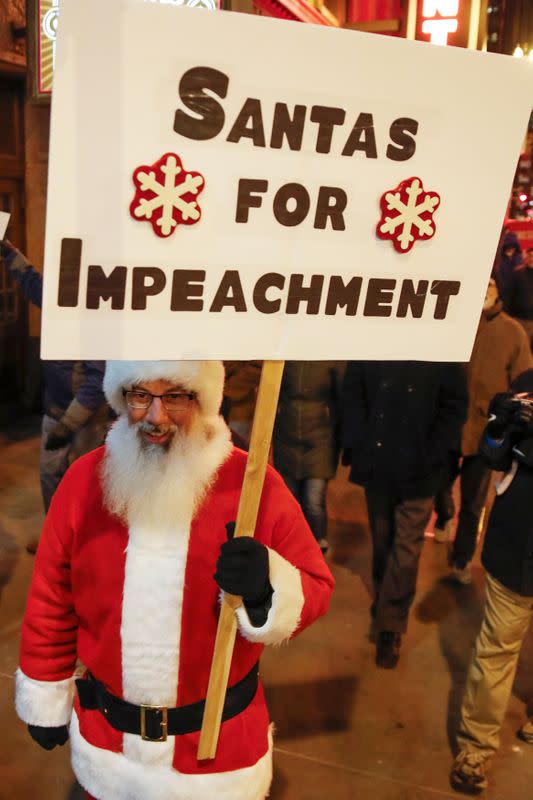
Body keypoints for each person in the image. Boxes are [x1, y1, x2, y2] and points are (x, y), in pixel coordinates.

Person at [15, 359, 334, 800]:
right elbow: (53, 593)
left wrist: (266, 587)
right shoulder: (84, 481)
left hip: (215, 757)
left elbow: (315, 584)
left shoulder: (251, 483)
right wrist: (45, 686)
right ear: (121, 398)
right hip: (111, 750)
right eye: (140, 395)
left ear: (202, 400)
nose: (155, 416)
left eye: (176, 397)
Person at [341, 361, 467, 669]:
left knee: (407, 548)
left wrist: (433, 454)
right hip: (378, 462)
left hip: (421, 471)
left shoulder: (443, 348)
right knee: (383, 541)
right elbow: (354, 391)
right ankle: (387, 600)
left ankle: (391, 625)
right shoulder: (376, 339)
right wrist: (361, 442)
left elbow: (454, 406)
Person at [450, 370, 533, 795]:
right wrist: (501, 426)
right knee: (497, 649)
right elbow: (492, 454)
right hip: (516, 549)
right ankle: (476, 752)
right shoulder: (528, 384)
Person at [0, 240, 109, 519]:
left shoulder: (93, 314)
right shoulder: (57, 297)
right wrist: (8, 251)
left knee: (84, 482)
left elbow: (96, 383)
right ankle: (55, 541)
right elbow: (29, 279)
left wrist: (66, 427)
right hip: (55, 408)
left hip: (86, 417)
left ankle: (79, 547)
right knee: (50, 476)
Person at [433, 278, 532, 584]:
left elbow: (523, 385)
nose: (486, 288)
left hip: (485, 432)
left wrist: (505, 418)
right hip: (450, 426)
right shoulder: (455, 322)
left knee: (474, 502)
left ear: (499, 289)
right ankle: (445, 514)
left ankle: (461, 559)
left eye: (491, 283)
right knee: (438, 485)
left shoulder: (512, 332)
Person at [273, 361, 344, 554]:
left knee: (313, 501)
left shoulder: (331, 360)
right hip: (287, 437)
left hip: (321, 440)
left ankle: (317, 543)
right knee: (290, 499)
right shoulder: (285, 359)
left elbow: (342, 400)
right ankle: (293, 543)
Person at [505, 246, 533, 349]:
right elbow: (509, 296)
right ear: (526, 257)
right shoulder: (517, 274)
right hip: (521, 321)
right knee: (521, 350)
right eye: (530, 256)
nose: (532, 259)